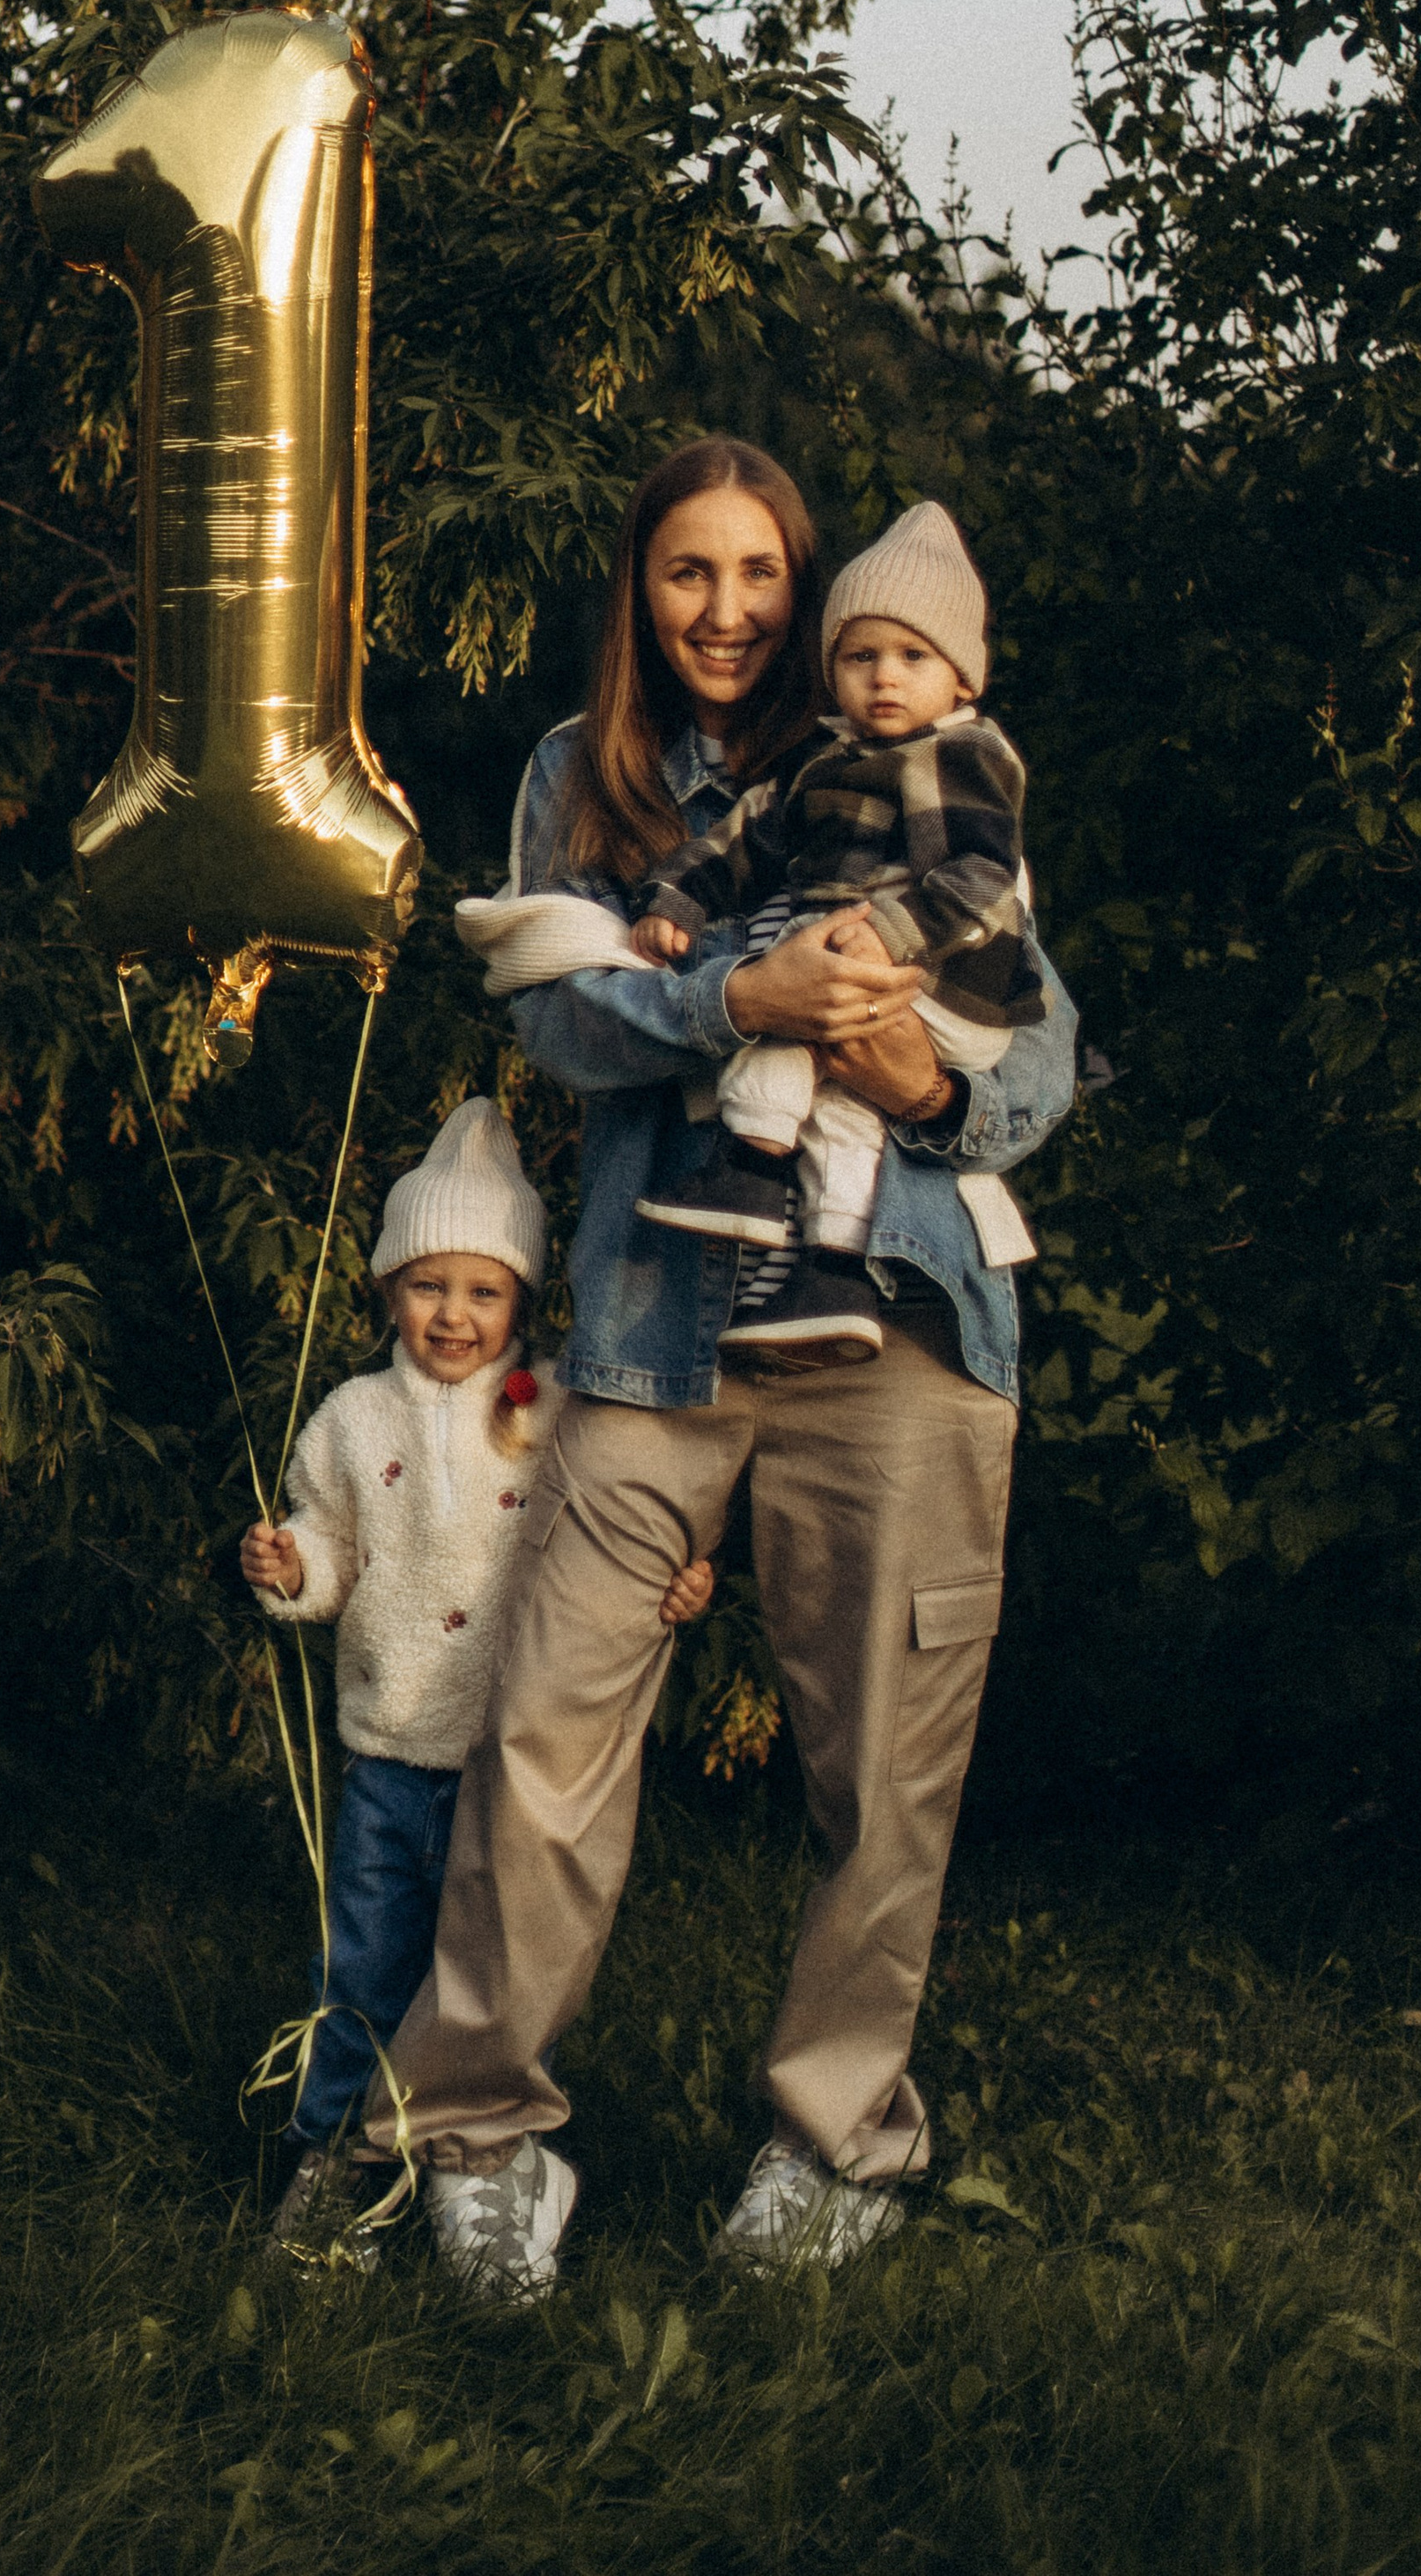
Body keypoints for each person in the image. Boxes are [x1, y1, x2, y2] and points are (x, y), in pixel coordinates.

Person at [374, 435, 1077, 2302]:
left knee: (884, 1760)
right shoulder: (580, 775)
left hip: (899, 1316)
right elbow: (556, 1013)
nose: (728, 609)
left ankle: (835, 2142)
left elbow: (1037, 1059)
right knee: (544, 1729)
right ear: (640, 588)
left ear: (812, 590)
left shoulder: (927, 752)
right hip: (653, 1318)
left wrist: (920, 1078)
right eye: (689, 571)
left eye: (761, 572)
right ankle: (480, 2137)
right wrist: (730, 1003)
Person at [239, 1095, 715, 2268]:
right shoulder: (352, 1420)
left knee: (494, 1960)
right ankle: (337, 2153)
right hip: (390, 1750)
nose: (452, 1315)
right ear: (387, 1291)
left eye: (483, 1291)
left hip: (511, 1754)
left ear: (523, 1302)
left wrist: (672, 1584)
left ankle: (479, 2152)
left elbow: (612, 1543)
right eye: (427, 1286)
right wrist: (295, 1567)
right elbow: (330, 1546)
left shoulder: (554, 1413)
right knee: (366, 1961)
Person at [625, 498, 1047, 1370]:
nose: (885, 678)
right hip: (882, 975)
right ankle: (834, 1272)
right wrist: (676, 900)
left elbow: (980, 876)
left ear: (962, 679)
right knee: (845, 1111)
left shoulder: (959, 756)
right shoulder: (829, 759)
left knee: (793, 1013)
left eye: (912, 657)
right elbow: (744, 842)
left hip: (951, 985)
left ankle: (751, 1166)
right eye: (860, 657)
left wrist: (890, 935)